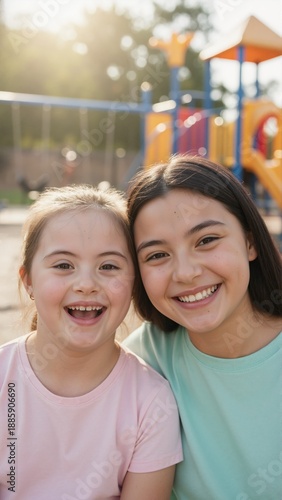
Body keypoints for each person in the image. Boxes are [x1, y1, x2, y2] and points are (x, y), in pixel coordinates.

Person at [0, 184, 183, 500]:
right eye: (63, 265)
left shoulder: (151, 404)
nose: (86, 284)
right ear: (28, 280)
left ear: (133, 283)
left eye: (108, 266)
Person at [123, 155, 282, 500]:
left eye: (206, 240)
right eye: (156, 255)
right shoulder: (141, 361)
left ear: (250, 242)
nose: (185, 272)